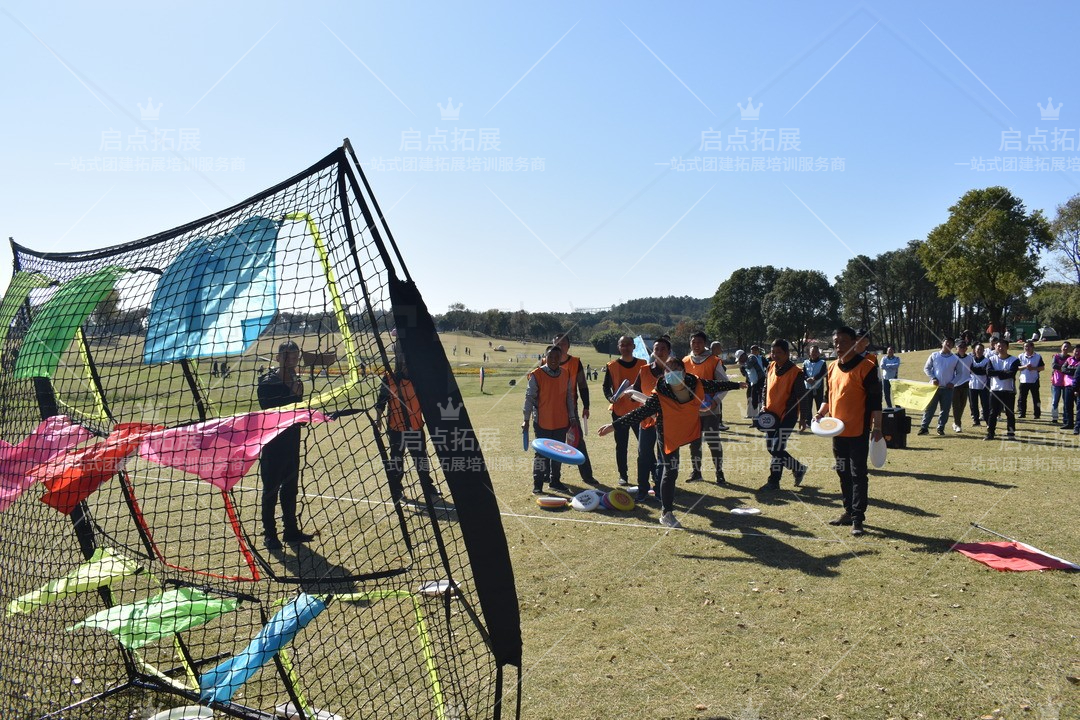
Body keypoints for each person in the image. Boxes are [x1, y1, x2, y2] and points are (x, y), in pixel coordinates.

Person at [598, 356, 742, 528]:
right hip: (667, 433)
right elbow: (640, 413)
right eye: (667, 370)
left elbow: (714, 385)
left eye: (675, 369)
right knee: (671, 469)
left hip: (687, 428)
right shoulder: (659, 393)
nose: (671, 372)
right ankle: (667, 513)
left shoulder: (694, 382)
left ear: (683, 370)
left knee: (689, 453)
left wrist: (736, 385)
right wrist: (614, 425)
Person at [812, 326, 882, 537]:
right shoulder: (832, 367)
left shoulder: (867, 366)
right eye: (835, 342)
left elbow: (876, 402)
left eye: (843, 342)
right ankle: (848, 511)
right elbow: (828, 396)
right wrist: (821, 413)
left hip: (858, 431)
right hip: (836, 431)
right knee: (842, 471)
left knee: (858, 474)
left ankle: (858, 518)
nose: (838, 346)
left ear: (854, 343)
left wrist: (877, 428)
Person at [257, 341, 316, 550]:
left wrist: (304, 412)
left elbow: (298, 414)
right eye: (287, 356)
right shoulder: (266, 381)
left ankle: (290, 531)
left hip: (292, 443)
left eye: (295, 357)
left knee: (290, 489)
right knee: (270, 491)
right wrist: (292, 393)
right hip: (272, 445)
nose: (292, 360)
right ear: (278, 357)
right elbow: (270, 410)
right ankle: (270, 534)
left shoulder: (297, 380)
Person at [375, 351, 441, 507]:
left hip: (415, 428)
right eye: (404, 362)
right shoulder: (389, 378)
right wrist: (378, 420)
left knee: (421, 459)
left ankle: (428, 486)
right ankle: (396, 488)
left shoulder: (419, 380)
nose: (406, 366)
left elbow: (428, 403)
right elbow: (380, 402)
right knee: (396, 459)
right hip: (396, 429)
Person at [522, 345, 577, 495]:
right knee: (540, 455)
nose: (553, 360)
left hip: (561, 422)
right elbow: (529, 398)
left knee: (558, 454)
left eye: (557, 357)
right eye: (550, 357)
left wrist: (572, 417)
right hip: (542, 422)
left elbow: (569, 398)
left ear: (561, 358)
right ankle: (537, 485)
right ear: (545, 358)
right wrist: (525, 420)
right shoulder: (537, 374)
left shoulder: (565, 374)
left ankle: (555, 481)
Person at [758, 338, 808, 491]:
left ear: (787, 353)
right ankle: (798, 468)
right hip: (770, 416)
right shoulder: (771, 366)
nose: (774, 355)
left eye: (778, 352)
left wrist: (803, 418)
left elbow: (802, 396)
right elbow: (765, 388)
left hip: (788, 416)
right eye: (772, 352)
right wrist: (763, 406)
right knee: (771, 448)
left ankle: (773, 482)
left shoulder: (796, 372)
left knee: (777, 448)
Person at [553, 334, 601, 486]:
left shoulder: (575, 362)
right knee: (554, 443)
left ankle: (587, 476)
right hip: (551, 409)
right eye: (557, 343)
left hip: (570, 409)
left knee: (578, 442)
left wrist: (586, 406)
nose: (560, 346)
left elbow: (582, 386)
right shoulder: (544, 361)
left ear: (568, 346)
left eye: (563, 343)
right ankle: (553, 478)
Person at [684, 331, 728, 486]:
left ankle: (719, 472)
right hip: (691, 411)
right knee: (694, 442)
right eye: (693, 342)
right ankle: (696, 472)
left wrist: (716, 401)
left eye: (699, 342)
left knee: (713, 441)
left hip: (710, 409)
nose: (696, 345)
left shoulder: (714, 361)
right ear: (690, 343)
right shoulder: (685, 361)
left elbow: (725, 384)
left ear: (705, 344)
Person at [602, 336, 647, 486]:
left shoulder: (642, 364)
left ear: (634, 347)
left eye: (628, 345)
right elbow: (606, 386)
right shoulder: (612, 365)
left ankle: (650, 474)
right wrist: (610, 398)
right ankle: (623, 475)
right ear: (618, 347)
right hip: (619, 411)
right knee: (621, 446)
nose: (626, 347)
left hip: (640, 411)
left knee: (645, 445)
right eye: (623, 345)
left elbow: (646, 385)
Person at [631, 337, 672, 500]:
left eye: (663, 349)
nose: (659, 352)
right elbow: (635, 391)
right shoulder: (644, 370)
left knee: (663, 457)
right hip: (646, 420)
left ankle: (660, 490)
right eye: (656, 349)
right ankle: (642, 490)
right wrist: (632, 397)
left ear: (669, 352)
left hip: (666, 421)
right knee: (644, 455)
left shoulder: (674, 371)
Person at [918, 337, 963, 436]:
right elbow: (927, 368)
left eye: (951, 343)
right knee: (930, 409)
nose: (949, 344)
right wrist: (933, 378)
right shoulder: (934, 355)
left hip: (948, 389)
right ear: (942, 343)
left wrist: (953, 382)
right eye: (947, 342)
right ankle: (924, 427)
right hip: (934, 388)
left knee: (945, 409)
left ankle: (940, 428)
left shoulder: (955, 358)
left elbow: (959, 373)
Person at [985, 338, 1020, 441]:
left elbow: (1011, 373)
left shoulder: (1014, 360)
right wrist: (1003, 372)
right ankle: (990, 434)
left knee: (1010, 413)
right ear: (995, 347)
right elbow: (989, 372)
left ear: (1007, 347)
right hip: (995, 390)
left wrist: (998, 373)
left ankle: (1011, 434)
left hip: (1009, 390)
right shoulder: (991, 359)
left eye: (1003, 346)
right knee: (993, 413)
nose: (1001, 348)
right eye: (998, 346)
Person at [1016, 341, 1044, 419]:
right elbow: (1017, 368)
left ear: (1032, 347)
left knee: (1036, 398)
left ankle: (1037, 414)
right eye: (1025, 347)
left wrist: (1033, 368)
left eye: (1028, 346)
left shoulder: (1038, 356)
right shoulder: (1020, 356)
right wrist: (1025, 367)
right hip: (1023, 380)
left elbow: (1042, 368)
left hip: (1034, 380)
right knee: (1022, 398)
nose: (1027, 348)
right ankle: (1022, 413)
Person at [950, 340, 974, 432]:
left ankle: (956, 422)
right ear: (956, 348)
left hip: (965, 383)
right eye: (960, 347)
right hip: (955, 384)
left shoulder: (969, 358)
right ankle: (958, 424)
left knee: (962, 405)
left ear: (966, 348)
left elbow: (972, 369)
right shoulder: (953, 357)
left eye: (964, 347)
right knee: (956, 405)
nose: (962, 349)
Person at [967, 343, 991, 427]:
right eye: (978, 349)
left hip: (983, 386)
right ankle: (976, 421)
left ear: (983, 351)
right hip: (972, 385)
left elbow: (985, 371)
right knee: (973, 404)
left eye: (981, 349)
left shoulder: (987, 361)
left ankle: (988, 421)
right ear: (975, 350)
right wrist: (978, 370)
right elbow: (969, 370)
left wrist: (974, 370)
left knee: (985, 404)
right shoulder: (970, 360)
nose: (979, 351)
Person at [1050, 341, 1073, 424]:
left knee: (1066, 401)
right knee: (1055, 401)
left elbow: (1071, 368)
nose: (1066, 348)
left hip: (1066, 382)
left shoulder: (1070, 358)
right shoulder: (1056, 356)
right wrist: (1064, 368)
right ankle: (1054, 417)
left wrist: (1063, 369)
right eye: (1064, 346)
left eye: (1068, 347)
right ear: (1061, 347)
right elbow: (1054, 365)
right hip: (1056, 382)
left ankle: (1065, 418)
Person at [709, 341, 730, 430]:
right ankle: (718, 423)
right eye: (720, 347)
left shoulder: (715, 358)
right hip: (714, 387)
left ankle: (718, 423)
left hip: (716, 386)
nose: (721, 349)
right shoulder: (712, 359)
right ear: (715, 348)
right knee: (717, 404)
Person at [802, 345, 827, 415]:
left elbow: (822, 373)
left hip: (818, 387)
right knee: (808, 406)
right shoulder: (805, 363)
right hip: (807, 387)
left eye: (816, 352)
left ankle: (820, 420)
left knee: (819, 405)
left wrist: (814, 378)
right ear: (809, 353)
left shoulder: (822, 362)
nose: (814, 353)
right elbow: (803, 373)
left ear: (819, 353)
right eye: (812, 351)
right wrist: (807, 378)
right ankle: (808, 421)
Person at [1060, 345, 1080, 432]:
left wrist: (1071, 370)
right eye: (1076, 351)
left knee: (1078, 407)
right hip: (1068, 385)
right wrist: (1074, 371)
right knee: (1068, 405)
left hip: (1078, 387)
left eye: (1079, 351)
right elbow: (1063, 369)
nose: (1077, 352)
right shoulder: (1069, 360)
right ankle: (1069, 423)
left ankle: (1077, 425)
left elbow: (1076, 372)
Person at [746, 346, 766, 416]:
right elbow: (748, 367)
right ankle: (754, 417)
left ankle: (760, 414)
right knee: (754, 399)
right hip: (754, 380)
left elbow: (767, 365)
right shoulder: (751, 357)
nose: (753, 352)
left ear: (758, 351)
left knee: (761, 398)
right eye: (752, 350)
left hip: (760, 380)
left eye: (755, 350)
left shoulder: (761, 358)